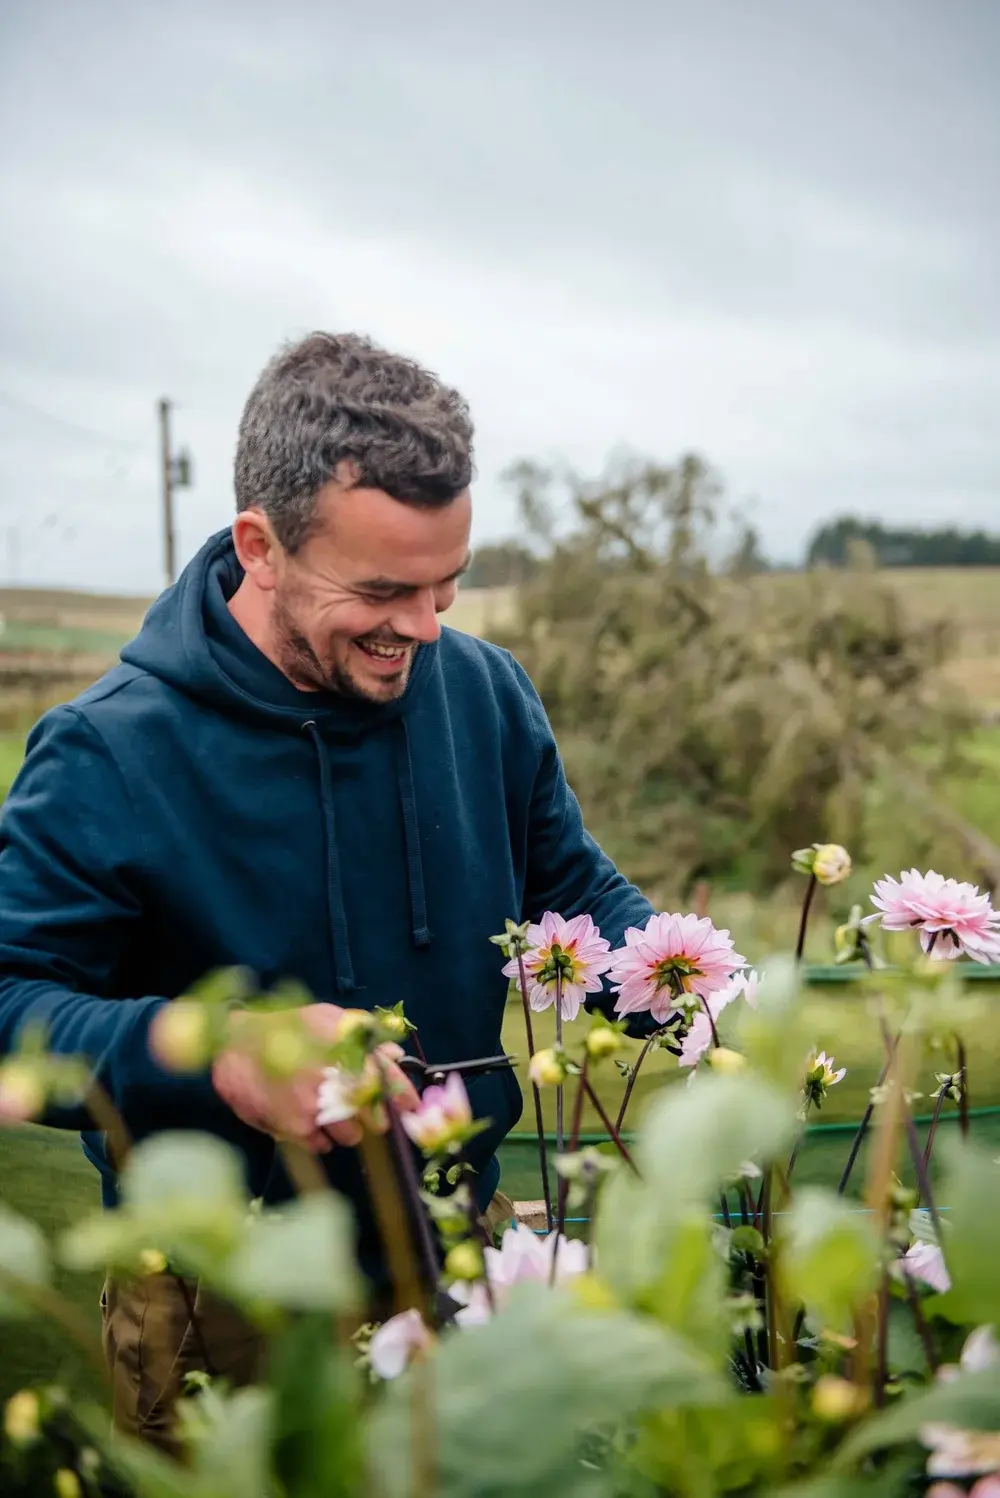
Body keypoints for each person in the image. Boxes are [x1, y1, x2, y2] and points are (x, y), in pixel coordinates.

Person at [0, 332, 654, 1449]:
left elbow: (571, 892)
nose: (425, 627)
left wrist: (695, 986)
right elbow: (14, 1007)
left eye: (447, 584)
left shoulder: (484, 693)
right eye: (385, 589)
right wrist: (229, 1055)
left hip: (463, 1247)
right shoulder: (107, 752)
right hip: (224, 1300)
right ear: (260, 544)